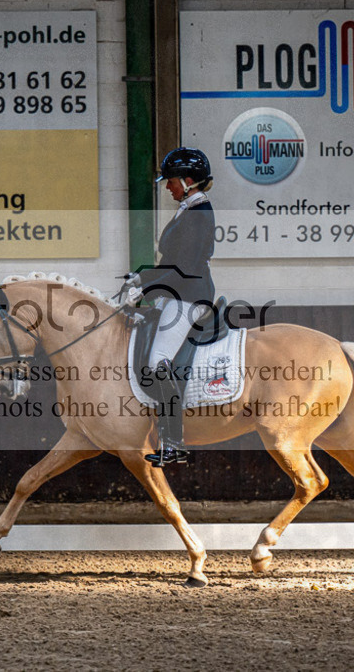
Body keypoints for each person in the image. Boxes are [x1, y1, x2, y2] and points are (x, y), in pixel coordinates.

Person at [119, 147, 216, 467]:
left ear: (189, 181)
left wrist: (145, 287)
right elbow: (171, 263)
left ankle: (173, 442)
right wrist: (141, 276)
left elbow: (184, 268)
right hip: (179, 291)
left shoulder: (198, 213)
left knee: (158, 360)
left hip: (189, 295)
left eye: (171, 181)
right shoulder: (189, 208)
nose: (167, 186)